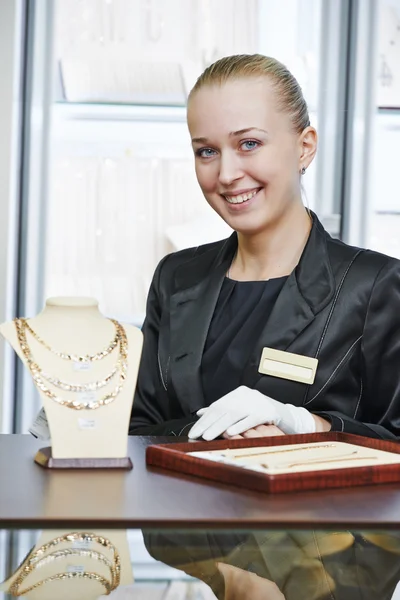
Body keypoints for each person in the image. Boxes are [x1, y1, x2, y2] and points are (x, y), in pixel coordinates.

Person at [129, 53, 400, 441]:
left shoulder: (374, 286)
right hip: (180, 503)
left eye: (249, 143)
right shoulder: (175, 278)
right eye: (207, 151)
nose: (226, 174)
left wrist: (307, 426)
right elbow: (137, 432)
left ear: (304, 146)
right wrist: (214, 434)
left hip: (311, 504)